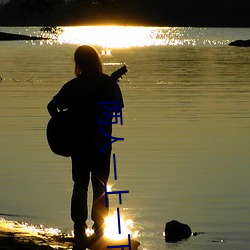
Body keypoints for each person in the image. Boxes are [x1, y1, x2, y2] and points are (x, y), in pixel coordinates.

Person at [47, 45, 124, 243]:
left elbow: (51, 106)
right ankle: (100, 229)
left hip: (78, 143)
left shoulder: (74, 85)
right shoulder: (108, 83)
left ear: (79, 63)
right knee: (100, 186)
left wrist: (64, 121)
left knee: (79, 185)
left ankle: (79, 227)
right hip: (102, 143)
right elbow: (117, 108)